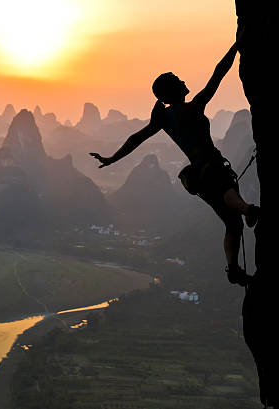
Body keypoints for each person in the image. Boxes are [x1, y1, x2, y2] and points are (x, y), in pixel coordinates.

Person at [89, 39, 259, 286]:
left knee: (231, 223)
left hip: (198, 176)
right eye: (178, 80)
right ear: (171, 90)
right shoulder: (194, 107)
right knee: (228, 195)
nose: (183, 81)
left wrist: (111, 159)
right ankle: (248, 210)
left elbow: (136, 138)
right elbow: (218, 73)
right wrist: (237, 45)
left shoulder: (163, 119)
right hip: (211, 167)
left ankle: (233, 268)